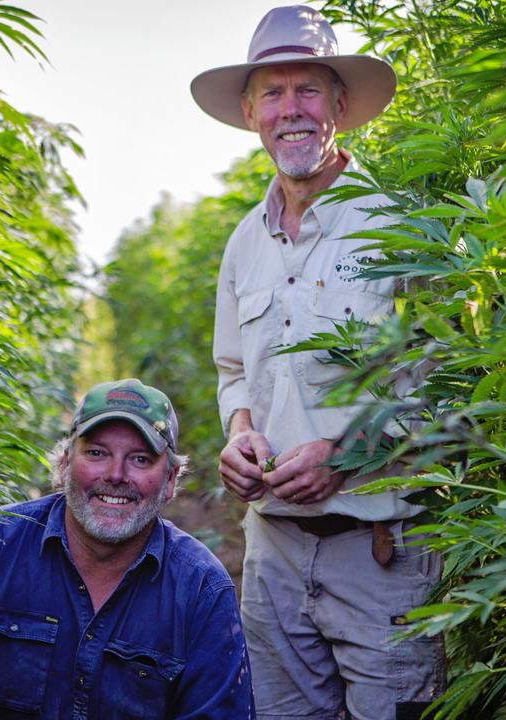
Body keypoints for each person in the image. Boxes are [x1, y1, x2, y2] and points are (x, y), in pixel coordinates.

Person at [192, 6, 444, 719]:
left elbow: (445, 381)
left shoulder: (398, 225)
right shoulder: (244, 242)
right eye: (273, 93)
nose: (290, 111)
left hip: (379, 553)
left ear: (340, 105)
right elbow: (233, 370)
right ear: (250, 112)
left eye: (308, 91)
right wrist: (239, 432)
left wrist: (346, 455)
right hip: (271, 550)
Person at [0, 379, 255, 719]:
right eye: (96, 453)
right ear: (64, 464)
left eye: (140, 459)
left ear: (171, 480)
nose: (116, 475)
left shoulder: (202, 591)